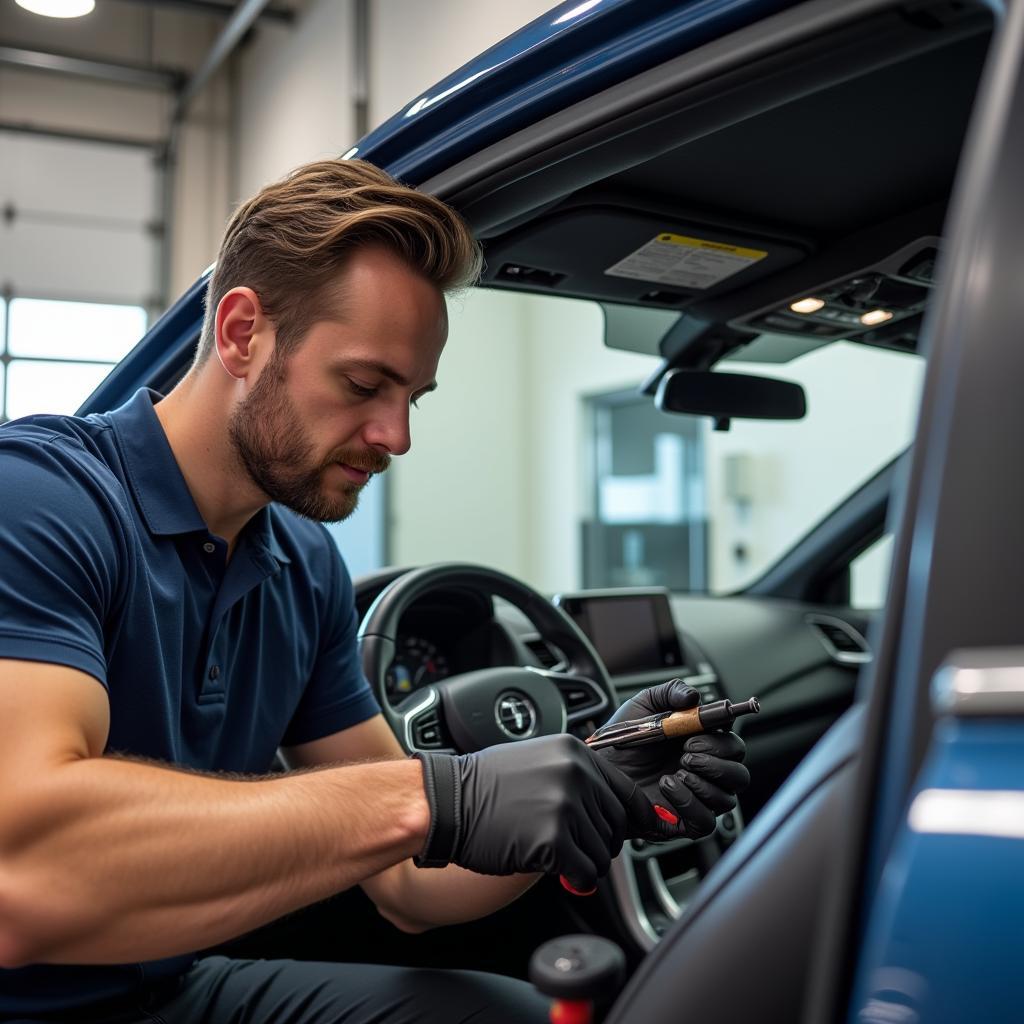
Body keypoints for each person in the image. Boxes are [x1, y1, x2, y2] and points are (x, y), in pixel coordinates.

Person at [0, 159, 749, 1023]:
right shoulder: (40, 502)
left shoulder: (303, 562)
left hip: (165, 988)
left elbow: (404, 878)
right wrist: (439, 794)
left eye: (412, 399)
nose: (394, 435)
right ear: (243, 332)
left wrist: (589, 787)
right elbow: (25, 875)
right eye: (362, 385)